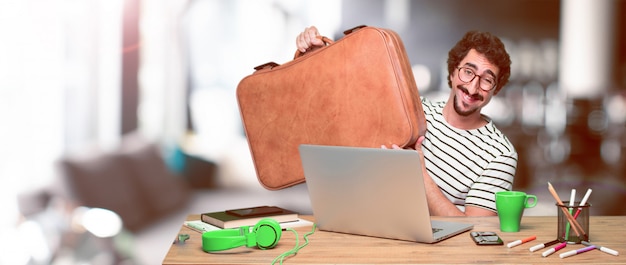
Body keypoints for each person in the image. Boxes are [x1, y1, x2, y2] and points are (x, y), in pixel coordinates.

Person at [295, 26, 517, 217]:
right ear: (452, 72)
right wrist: (315, 59)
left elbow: (474, 231)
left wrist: (419, 174)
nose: (472, 87)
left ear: (495, 90)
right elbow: (343, 108)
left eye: (487, 80)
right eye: (468, 72)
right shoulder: (410, 108)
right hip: (370, 227)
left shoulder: (500, 154)